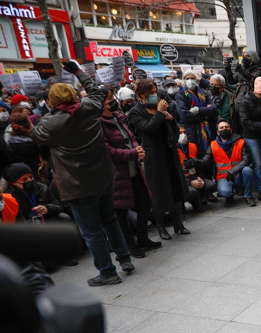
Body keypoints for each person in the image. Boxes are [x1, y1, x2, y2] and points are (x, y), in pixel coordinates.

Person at [31, 61, 133, 286]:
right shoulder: (90, 106)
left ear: (52, 101)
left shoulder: (50, 122)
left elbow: (36, 135)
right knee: (110, 219)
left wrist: (48, 110)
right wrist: (77, 71)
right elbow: (96, 90)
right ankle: (125, 259)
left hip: (77, 185)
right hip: (104, 176)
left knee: (92, 231)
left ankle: (107, 272)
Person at [100, 87, 160, 257]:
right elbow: (107, 151)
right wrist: (132, 153)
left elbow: (131, 138)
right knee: (121, 213)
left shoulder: (119, 117)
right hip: (117, 174)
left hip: (133, 169)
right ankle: (130, 245)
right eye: (109, 98)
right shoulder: (98, 124)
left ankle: (143, 239)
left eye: (112, 97)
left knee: (145, 204)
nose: (112, 101)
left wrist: (136, 149)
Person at [128, 79, 190, 240]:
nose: (155, 95)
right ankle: (161, 227)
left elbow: (174, 129)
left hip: (169, 153)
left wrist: (170, 119)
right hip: (154, 157)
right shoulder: (135, 112)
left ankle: (178, 224)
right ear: (142, 95)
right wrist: (160, 113)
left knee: (175, 186)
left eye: (155, 92)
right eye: (151, 93)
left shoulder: (160, 106)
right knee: (158, 191)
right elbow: (148, 129)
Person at [189, 119, 256, 206]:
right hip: (223, 178)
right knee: (225, 192)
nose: (224, 129)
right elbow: (205, 161)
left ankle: (248, 197)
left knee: (247, 170)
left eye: (226, 127)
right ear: (218, 132)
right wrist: (195, 161)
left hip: (238, 175)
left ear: (231, 130)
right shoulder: (213, 145)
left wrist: (232, 171)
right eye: (222, 128)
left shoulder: (240, 142)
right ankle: (229, 193)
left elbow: (246, 160)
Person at [175, 70, 216, 157]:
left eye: (192, 78)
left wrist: (198, 110)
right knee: (196, 156)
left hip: (208, 129)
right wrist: (205, 115)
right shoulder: (181, 94)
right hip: (192, 131)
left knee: (209, 155)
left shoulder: (204, 93)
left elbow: (213, 109)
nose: (190, 80)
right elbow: (184, 115)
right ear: (184, 81)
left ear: (197, 80)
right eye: (187, 78)